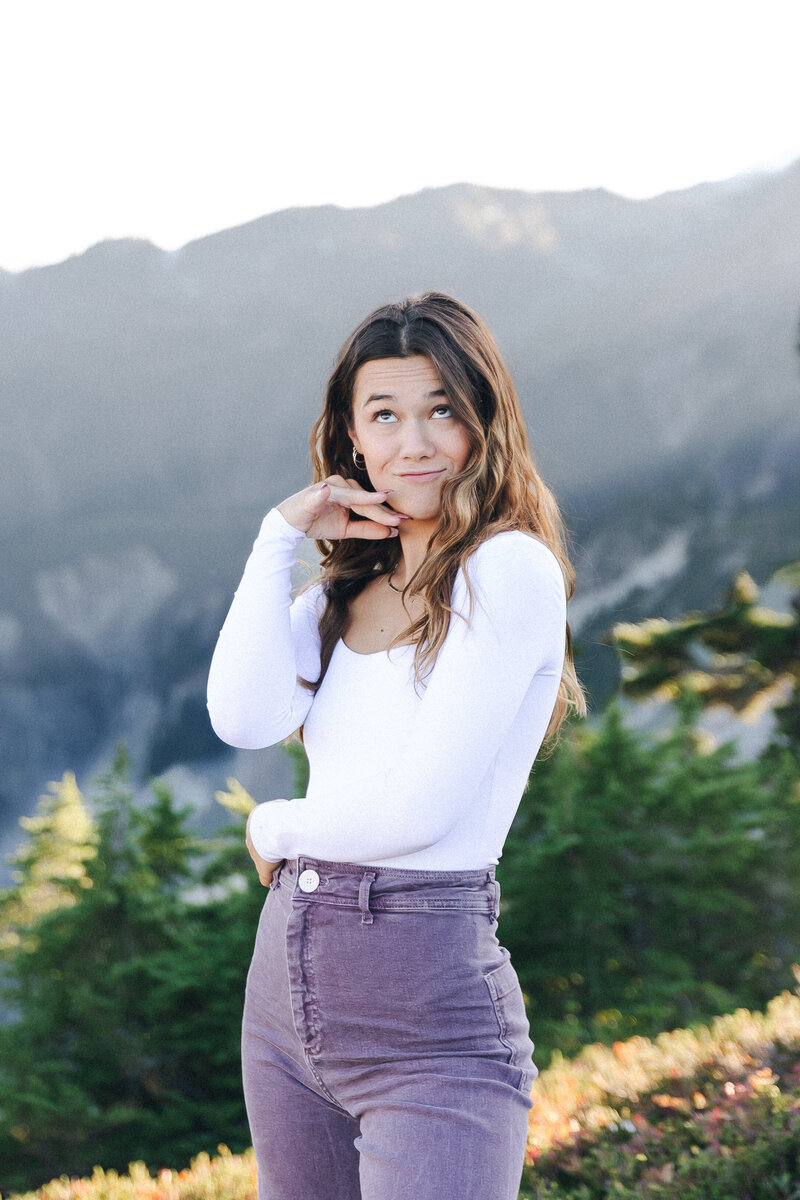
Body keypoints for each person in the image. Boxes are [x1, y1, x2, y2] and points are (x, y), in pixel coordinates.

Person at [206, 292, 586, 1200]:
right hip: (284, 999)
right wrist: (277, 539)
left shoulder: (509, 568)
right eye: (385, 415)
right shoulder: (341, 596)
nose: (414, 442)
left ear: (483, 421)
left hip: (428, 1009)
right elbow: (242, 717)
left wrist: (274, 824)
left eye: (442, 409)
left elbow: (421, 811)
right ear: (352, 437)